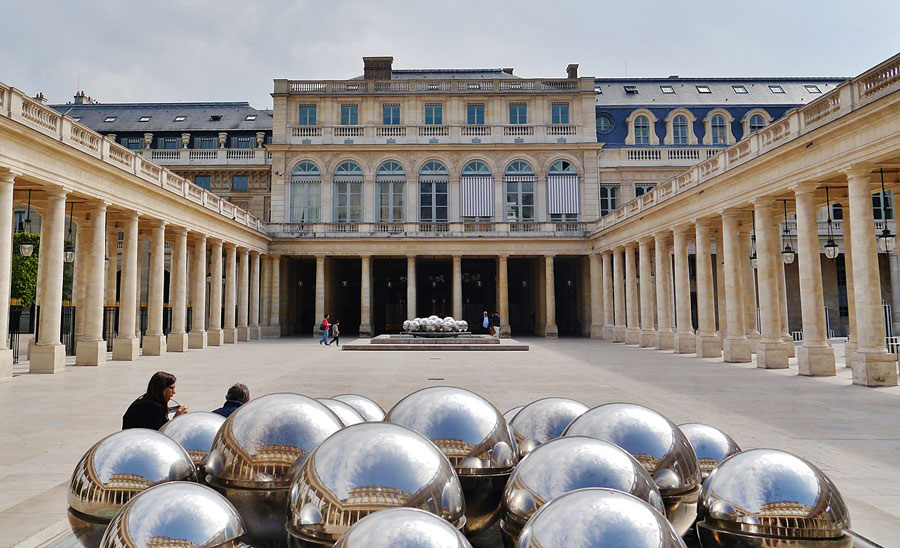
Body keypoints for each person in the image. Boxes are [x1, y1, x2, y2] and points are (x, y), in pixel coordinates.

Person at [123, 371, 187, 430]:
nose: (174, 392)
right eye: (171, 388)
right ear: (162, 388)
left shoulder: (143, 401)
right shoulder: (153, 408)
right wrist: (176, 419)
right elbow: (162, 433)